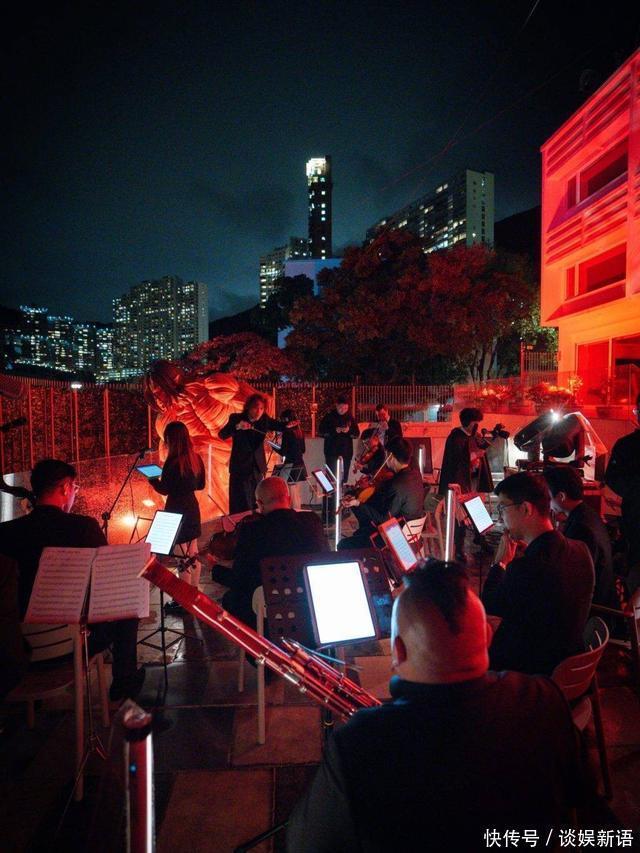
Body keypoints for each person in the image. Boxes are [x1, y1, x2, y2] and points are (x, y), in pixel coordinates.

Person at [286, 561, 584, 852]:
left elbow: (304, 843)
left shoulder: (357, 744)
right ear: (487, 636)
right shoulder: (544, 699)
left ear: (397, 651)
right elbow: (577, 806)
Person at [0, 459, 144, 701]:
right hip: (72, 645)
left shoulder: (5, 533)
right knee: (128, 610)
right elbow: (106, 580)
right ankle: (124, 685)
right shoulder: (83, 527)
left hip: (18, 647)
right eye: (75, 488)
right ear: (66, 488)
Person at [482, 472, 595, 676]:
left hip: (531, 673)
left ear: (526, 509)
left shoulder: (526, 568)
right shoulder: (581, 550)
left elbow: (490, 605)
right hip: (568, 664)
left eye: (503, 508)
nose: (500, 517)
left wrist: (500, 563)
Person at [215, 477, 327, 629]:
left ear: (260, 504)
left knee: (230, 599)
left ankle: (256, 640)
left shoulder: (252, 530)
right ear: (288, 498)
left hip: (270, 612)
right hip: (310, 605)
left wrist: (214, 568)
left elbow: (238, 580)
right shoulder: (312, 521)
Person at [543, 464, 619, 610]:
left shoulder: (581, 528)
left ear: (561, 496)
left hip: (594, 609)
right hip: (600, 597)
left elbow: (572, 579)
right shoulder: (587, 513)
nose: (548, 503)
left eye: (548, 497)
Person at [149, 421, 206, 612]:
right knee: (192, 552)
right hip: (192, 508)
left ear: (170, 440)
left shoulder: (172, 463)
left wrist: (152, 481)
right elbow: (201, 485)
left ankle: (184, 601)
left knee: (181, 557)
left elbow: (164, 489)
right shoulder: (195, 458)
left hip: (176, 510)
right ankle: (194, 594)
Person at [338, 437, 424, 550]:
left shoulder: (397, 484)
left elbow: (384, 520)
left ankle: (370, 558)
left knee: (343, 545)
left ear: (391, 456)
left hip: (395, 538)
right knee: (362, 531)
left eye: (387, 456)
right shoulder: (416, 476)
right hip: (411, 534)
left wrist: (358, 503)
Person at [219, 393, 288, 513]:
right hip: (240, 468)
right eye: (256, 408)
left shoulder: (264, 420)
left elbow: (279, 426)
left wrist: (289, 425)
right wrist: (237, 427)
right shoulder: (236, 418)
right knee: (240, 503)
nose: (259, 412)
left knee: (257, 501)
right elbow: (222, 434)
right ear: (248, 407)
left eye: (261, 408)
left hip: (257, 468)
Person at [438, 407, 492, 559]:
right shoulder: (456, 437)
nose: (478, 426)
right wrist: (474, 455)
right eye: (476, 423)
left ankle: (481, 538)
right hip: (459, 483)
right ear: (469, 423)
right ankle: (459, 548)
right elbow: (455, 461)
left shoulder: (472, 437)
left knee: (477, 510)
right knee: (460, 517)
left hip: (472, 481)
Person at [605, 393, 640, 594]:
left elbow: (613, 478)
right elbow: (613, 477)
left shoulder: (626, 445)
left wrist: (632, 492)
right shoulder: (627, 445)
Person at [318, 396, 360, 484]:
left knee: (343, 479)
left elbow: (356, 434)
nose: (343, 410)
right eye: (341, 408)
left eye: (346, 408)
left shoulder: (350, 417)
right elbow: (321, 432)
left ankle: (342, 490)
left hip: (346, 452)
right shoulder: (329, 416)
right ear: (336, 405)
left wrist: (349, 431)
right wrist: (334, 431)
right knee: (331, 477)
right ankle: (331, 492)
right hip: (332, 452)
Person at [277, 408, 306, 511]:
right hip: (300, 464)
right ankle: (298, 513)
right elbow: (303, 449)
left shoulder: (287, 432)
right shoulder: (300, 431)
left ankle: (294, 514)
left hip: (290, 466)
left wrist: (274, 446)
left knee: (291, 494)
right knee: (297, 494)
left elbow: (283, 452)